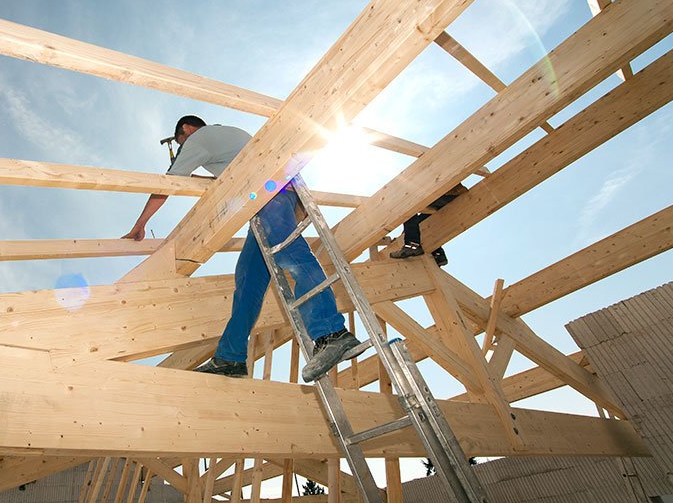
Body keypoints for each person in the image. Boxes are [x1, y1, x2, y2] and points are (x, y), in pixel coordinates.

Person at [123, 115, 369, 382]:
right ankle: (231, 357)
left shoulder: (197, 139)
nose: (183, 146)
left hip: (269, 192)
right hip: (274, 192)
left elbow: (170, 181)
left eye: (181, 141)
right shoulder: (225, 137)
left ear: (186, 129)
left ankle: (331, 333)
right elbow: (227, 175)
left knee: (290, 254)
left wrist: (141, 223)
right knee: (249, 280)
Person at [388, 184, 467, 266]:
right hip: (449, 197)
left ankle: (412, 245)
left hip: (448, 194)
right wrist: (403, 235)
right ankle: (438, 253)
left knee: (407, 205)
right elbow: (413, 225)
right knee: (422, 222)